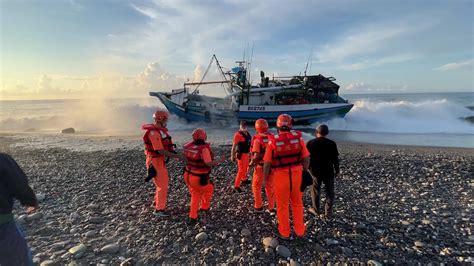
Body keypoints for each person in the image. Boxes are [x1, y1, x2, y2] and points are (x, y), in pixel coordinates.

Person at [263, 114, 310, 240]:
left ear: (277, 126)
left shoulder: (272, 141)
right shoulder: (299, 139)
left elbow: (267, 163)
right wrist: (305, 171)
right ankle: (300, 231)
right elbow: (306, 158)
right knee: (297, 204)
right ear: (290, 125)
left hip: (279, 176)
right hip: (297, 175)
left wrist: (264, 179)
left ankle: (285, 232)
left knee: (282, 206)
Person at [142, 110, 184, 217]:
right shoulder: (154, 133)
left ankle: (157, 202)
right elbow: (160, 150)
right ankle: (159, 209)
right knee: (163, 185)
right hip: (155, 160)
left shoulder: (158, 131)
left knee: (160, 183)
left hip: (157, 160)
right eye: (166, 119)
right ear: (161, 119)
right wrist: (176, 156)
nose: (167, 121)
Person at [0, 153, 38, 265]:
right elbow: (18, 184)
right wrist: (30, 201)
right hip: (2, 223)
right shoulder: (2, 160)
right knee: (18, 259)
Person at [183, 128, 226, 224]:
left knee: (195, 193)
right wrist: (220, 159)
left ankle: (193, 216)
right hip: (198, 177)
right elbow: (209, 163)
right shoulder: (204, 149)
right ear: (204, 137)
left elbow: (185, 159)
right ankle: (203, 208)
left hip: (187, 174)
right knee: (208, 189)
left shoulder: (188, 147)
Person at [306, 124, 339, 219]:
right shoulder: (332, 143)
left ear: (316, 132)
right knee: (330, 192)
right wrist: (337, 171)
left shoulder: (310, 143)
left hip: (314, 171)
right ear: (327, 133)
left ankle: (315, 210)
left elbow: (306, 158)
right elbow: (335, 159)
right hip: (328, 171)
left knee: (315, 190)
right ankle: (328, 213)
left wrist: (305, 169)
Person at [249, 118, 275, 214]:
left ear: (257, 128)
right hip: (272, 166)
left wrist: (251, 164)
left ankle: (258, 207)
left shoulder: (257, 139)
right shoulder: (272, 137)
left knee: (256, 186)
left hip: (261, 166)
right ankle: (271, 207)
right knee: (270, 186)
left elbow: (256, 156)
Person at [231, 120, 252, 192]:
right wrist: (232, 155)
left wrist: (250, 153)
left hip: (246, 154)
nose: (244, 126)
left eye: (245, 125)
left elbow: (250, 144)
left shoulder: (247, 133)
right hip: (241, 154)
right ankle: (236, 186)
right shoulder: (237, 134)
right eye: (242, 125)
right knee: (241, 170)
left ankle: (244, 179)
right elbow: (234, 146)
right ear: (240, 125)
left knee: (246, 167)